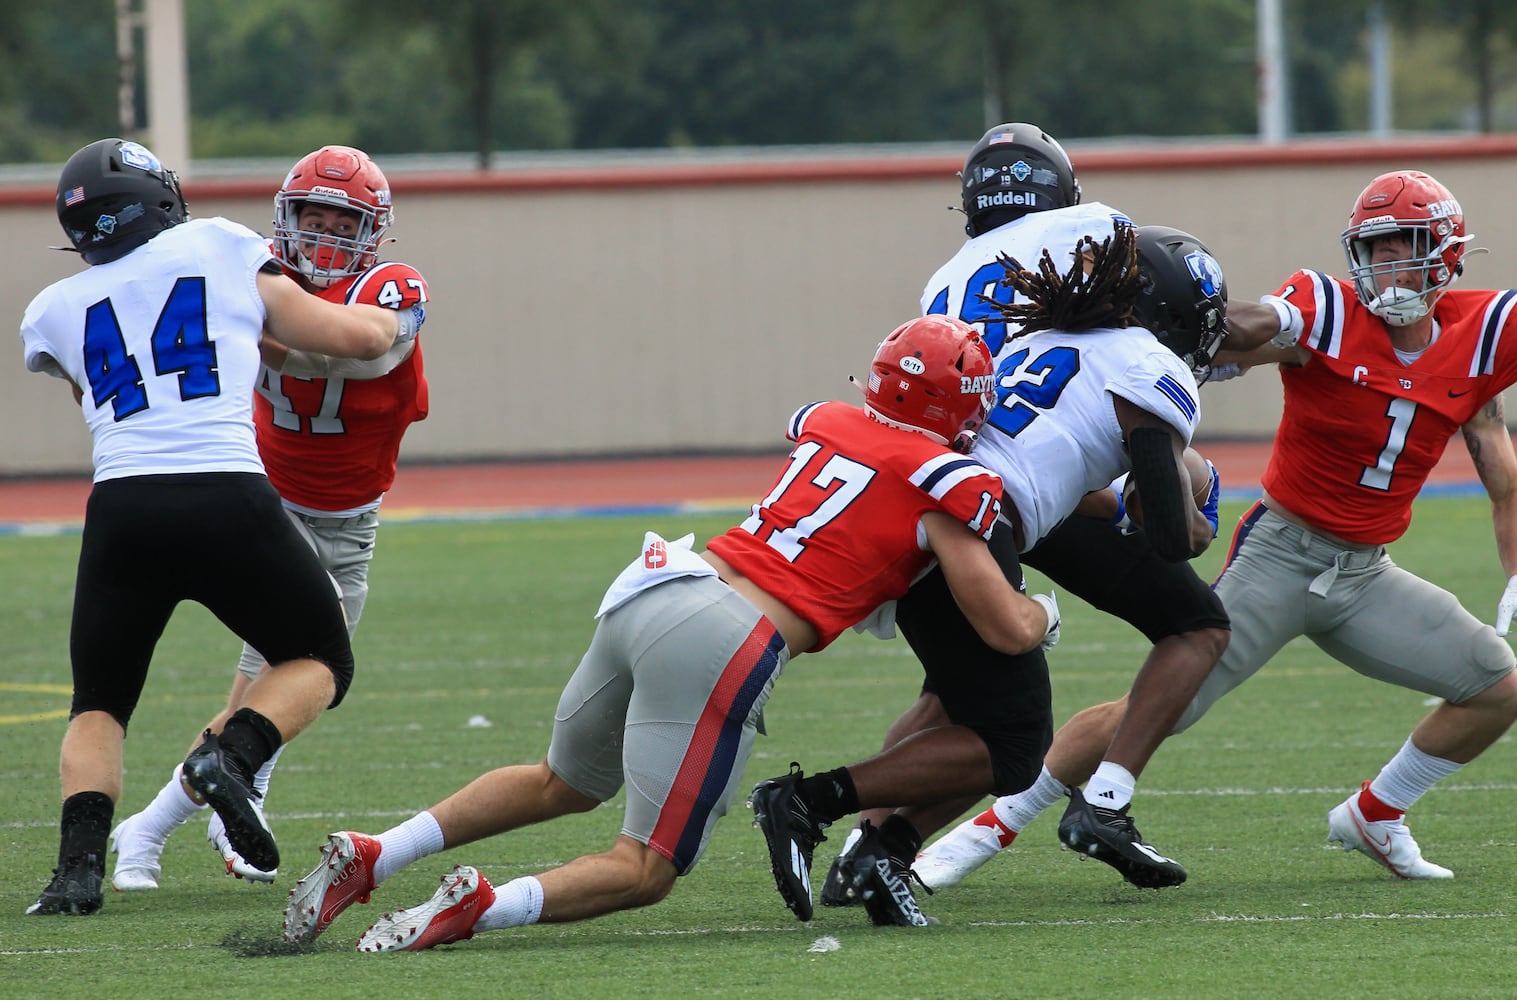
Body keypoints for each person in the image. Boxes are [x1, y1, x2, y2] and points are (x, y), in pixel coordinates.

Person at [279, 315, 1060, 952]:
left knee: (564, 780)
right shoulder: (948, 480)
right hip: (726, 635)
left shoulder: (830, 422)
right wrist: (1045, 614)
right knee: (647, 868)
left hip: (662, 581)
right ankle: (481, 906)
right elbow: (1003, 626)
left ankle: (381, 851)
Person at [917, 167, 1517, 885]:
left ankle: (1377, 812)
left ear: (1447, 250)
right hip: (1280, 555)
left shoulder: (1486, 338)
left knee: (1499, 688)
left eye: (1405, 247)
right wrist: (1171, 306)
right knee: (1156, 708)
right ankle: (986, 833)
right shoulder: (1329, 314)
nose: (1387, 265)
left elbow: (1507, 485)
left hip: (1366, 573)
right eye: (1376, 249)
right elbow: (1246, 327)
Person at [752, 123, 1231, 929]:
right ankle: (835, 808)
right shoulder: (1131, 311)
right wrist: (1194, 494)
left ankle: (874, 849)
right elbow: (1163, 529)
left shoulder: (977, 296)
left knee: (965, 694)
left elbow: (1017, 427)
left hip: (938, 479)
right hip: (978, 511)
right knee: (1025, 731)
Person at [20, 137, 423, 916]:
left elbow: (95, 401)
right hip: (226, 493)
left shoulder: (50, 311)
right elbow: (353, 338)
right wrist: (394, 328)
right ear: (160, 199)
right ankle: (230, 762)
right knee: (319, 657)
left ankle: (74, 874)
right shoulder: (220, 244)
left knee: (98, 703)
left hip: (122, 508)